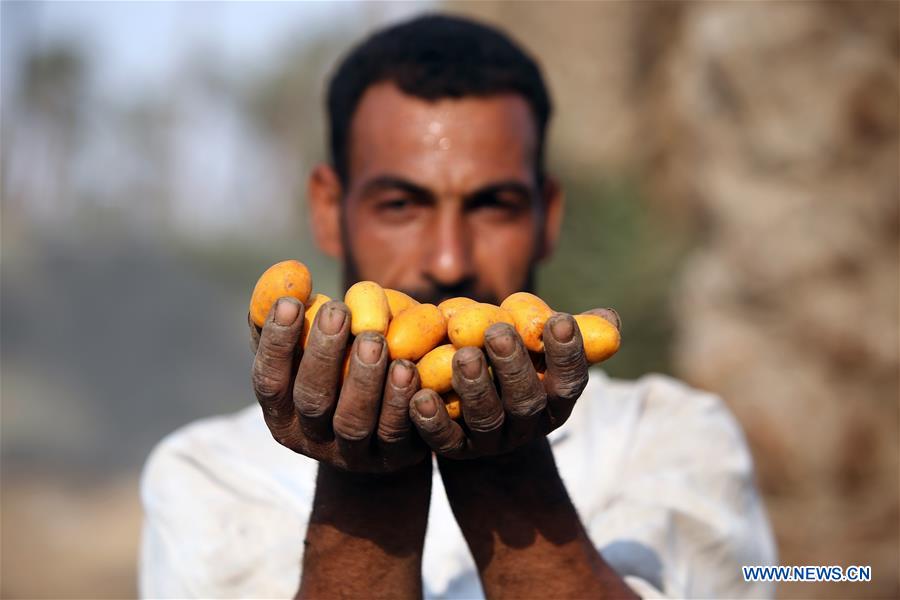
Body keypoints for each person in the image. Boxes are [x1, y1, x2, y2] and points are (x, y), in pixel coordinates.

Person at [140, 14, 775, 599]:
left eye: (492, 205)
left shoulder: (674, 439)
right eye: (401, 205)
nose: (448, 260)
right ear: (330, 211)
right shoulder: (205, 475)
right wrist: (363, 478)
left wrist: (506, 465)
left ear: (546, 216)